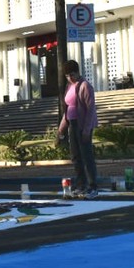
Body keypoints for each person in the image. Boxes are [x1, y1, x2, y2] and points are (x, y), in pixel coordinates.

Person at [57, 60, 100, 199]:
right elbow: (68, 109)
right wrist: (61, 130)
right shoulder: (69, 87)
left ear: (78, 72)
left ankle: (92, 187)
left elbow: (90, 109)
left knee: (86, 156)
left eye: (72, 74)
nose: (70, 78)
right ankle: (81, 184)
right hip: (72, 123)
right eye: (67, 76)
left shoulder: (85, 86)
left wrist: (87, 130)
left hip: (83, 124)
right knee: (76, 156)